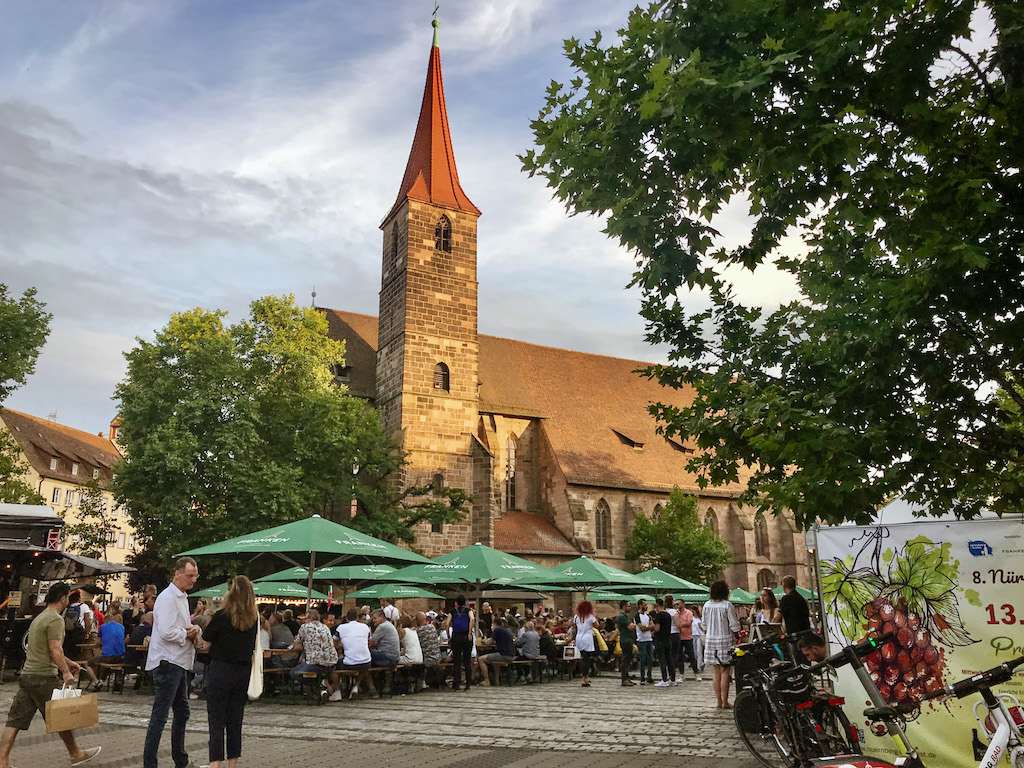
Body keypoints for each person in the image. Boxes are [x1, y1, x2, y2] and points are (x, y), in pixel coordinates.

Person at [0, 582, 101, 768]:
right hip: (44, 676)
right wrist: (65, 672)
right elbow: (54, 650)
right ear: (63, 598)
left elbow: (46, 650)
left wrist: (69, 663)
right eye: (67, 598)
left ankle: (2, 761)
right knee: (62, 716)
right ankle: (76, 753)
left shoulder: (39, 618)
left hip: (28, 675)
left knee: (15, 720)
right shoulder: (56, 619)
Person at [144, 556, 202, 768]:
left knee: (180, 712)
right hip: (168, 662)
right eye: (189, 576)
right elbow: (167, 631)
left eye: (195, 576)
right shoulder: (168, 598)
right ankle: (152, 763)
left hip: (177, 662)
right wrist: (188, 634)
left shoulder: (180, 597)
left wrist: (195, 630)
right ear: (177, 574)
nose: (193, 580)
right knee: (160, 716)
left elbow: (183, 627)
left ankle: (180, 759)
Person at [201, 575, 259, 768]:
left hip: (220, 669)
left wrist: (194, 636)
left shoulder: (222, 616)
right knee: (235, 720)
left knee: (216, 720)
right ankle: (232, 764)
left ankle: (215, 763)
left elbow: (205, 643)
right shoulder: (254, 619)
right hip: (242, 672)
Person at [703, 580, 741, 709]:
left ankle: (718, 701)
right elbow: (734, 624)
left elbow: (704, 625)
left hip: (711, 639)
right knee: (725, 671)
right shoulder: (727, 605)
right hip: (724, 639)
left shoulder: (706, 605)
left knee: (716, 672)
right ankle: (725, 701)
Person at [290, 608, 340, 700]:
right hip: (332, 663)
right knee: (313, 670)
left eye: (306, 618)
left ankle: (319, 686)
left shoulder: (305, 627)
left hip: (315, 663)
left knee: (294, 673)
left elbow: (297, 646)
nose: (304, 620)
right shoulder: (325, 627)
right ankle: (321, 687)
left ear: (310, 619)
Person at [83, 611, 126, 690]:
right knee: (106, 663)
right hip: (121, 657)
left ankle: (96, 682)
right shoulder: (121, 627)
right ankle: (102, 680)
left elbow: (99, 642)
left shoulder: (103, 627)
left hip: (108, 656)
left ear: (105, 621)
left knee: (88, 664)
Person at [336, 609, 373, 699]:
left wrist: (344, 646)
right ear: (357, 618)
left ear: (347, 618)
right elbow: (370, 642)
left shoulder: (340, 628)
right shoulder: (365, 627)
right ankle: (355, 687)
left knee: (333, 668)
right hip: (366, 662)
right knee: (363, 665)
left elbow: (334, 644)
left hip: (349, 663)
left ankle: (337, 691)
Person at [443, 595, 475, 691]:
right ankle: (468, 683)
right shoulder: (468, 611)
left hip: (456, 636)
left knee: (456, 661)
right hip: (466, 635)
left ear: (457, 603)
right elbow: (472, 619)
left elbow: (447, 623)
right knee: (467, 660)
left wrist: (449, 636)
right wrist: (470, 632)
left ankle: (457, 683)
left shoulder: (452, 612)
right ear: (465, 602)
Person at [780, 575, 813, 663]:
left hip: (794, 634)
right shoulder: (801, 598)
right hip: (805, 632)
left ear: (784, 586)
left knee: (797, 660)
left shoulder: (786, 599)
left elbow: (781, 616)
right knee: (806, 658)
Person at [477, 616, 515, 686]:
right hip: (511, 655)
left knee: (481, 659)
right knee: (495, 662)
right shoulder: (507, 630)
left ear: (495, 624)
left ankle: (486, 680)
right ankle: (496, 681)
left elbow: (489, 643)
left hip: (503, 655)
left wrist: (484, 640)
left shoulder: (497, 630)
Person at [568, 600, 598, 687]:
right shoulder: (590, 617)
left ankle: (584, 676)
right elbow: (597, 626)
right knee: (587, 659)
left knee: (583, 658)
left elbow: (574, 629)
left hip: (579, 637)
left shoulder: (576, 617)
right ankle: (585, 677)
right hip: (587, 637)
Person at [674, 599, 700, 681]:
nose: (676, 605)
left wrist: (680, 624)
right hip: (679, 637)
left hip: (688, 637)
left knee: (691, 655)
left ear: (682, 604)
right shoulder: (676, 614)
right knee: (679, 656)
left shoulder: (688, 613)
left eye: (678, 604)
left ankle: (696, 673)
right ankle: (682, 675)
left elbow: (689, 623)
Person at [653, 598, 676, 686]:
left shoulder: (659, 615)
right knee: (669, 660)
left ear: (656, 605)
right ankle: (673, 679)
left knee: (662, 660)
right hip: (668, 639)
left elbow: (657, 628)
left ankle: (664, 679)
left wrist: (653, 632)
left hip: (660, 640)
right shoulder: (668, 615)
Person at [634, 599, 655, 685]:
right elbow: (641, 628)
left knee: (650, 658)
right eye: (645, 605)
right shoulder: (637, 616)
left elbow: (653, 625)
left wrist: (647, 627)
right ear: (640, 606)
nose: (646, 606)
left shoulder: (648, 616)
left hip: (649, 639)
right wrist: (648, 627)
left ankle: (649, 676)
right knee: (642, 659)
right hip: (641, 640)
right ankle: (642, 677)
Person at [615, 601, 636, 686]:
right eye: (628, 606)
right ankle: (624, 679)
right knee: (626, 659)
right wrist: (633, 625)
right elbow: (631, 627)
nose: (630, 608)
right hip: (625, 640)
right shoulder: (622, 616)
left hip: (628, 639)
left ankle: (627, 677)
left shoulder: (624, 616)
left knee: (628, 658)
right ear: (623, 606)